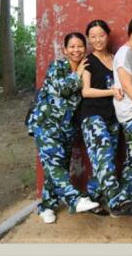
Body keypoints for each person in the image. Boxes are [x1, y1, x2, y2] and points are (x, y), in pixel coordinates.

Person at [26, 32, 100, 223]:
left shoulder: (87, 69)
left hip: (66, 129)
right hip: (46, 124)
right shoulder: (57, 67)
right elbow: (61, 89)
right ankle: (75, 200)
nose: (76, 50)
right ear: (65, 50)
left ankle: (46, 207)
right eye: (72, 47)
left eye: (80, 46)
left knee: (56, 169)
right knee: (55, 166)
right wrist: (78, 74)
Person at [79, 20, 132, 217]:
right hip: (92, 116)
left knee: (105, 159)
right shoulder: (88, 61)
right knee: (103, 156)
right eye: (93, 37)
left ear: (108, 35)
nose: (97, 40)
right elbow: (85, 91)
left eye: (101, 35)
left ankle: (92, 198)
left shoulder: (116, 59)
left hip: (113, 117)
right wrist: (111, 91)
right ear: (89, 39)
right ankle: (116, 200)